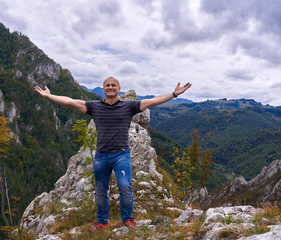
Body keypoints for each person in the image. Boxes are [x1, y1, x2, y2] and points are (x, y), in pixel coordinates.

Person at [34, 77, 191, 231]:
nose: (110, 87)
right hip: (101, 156)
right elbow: (70, 101)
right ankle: (103, 221)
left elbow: (153, 101)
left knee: (125, 186)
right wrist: (49, 96)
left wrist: (174, 94)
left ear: (119, 88)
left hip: (121, 155)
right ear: (103, 89)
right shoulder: (94, 107)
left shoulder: (128, 106)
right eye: (107, 85)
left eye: (113, 85)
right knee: (101, 190)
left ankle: (128, 220)